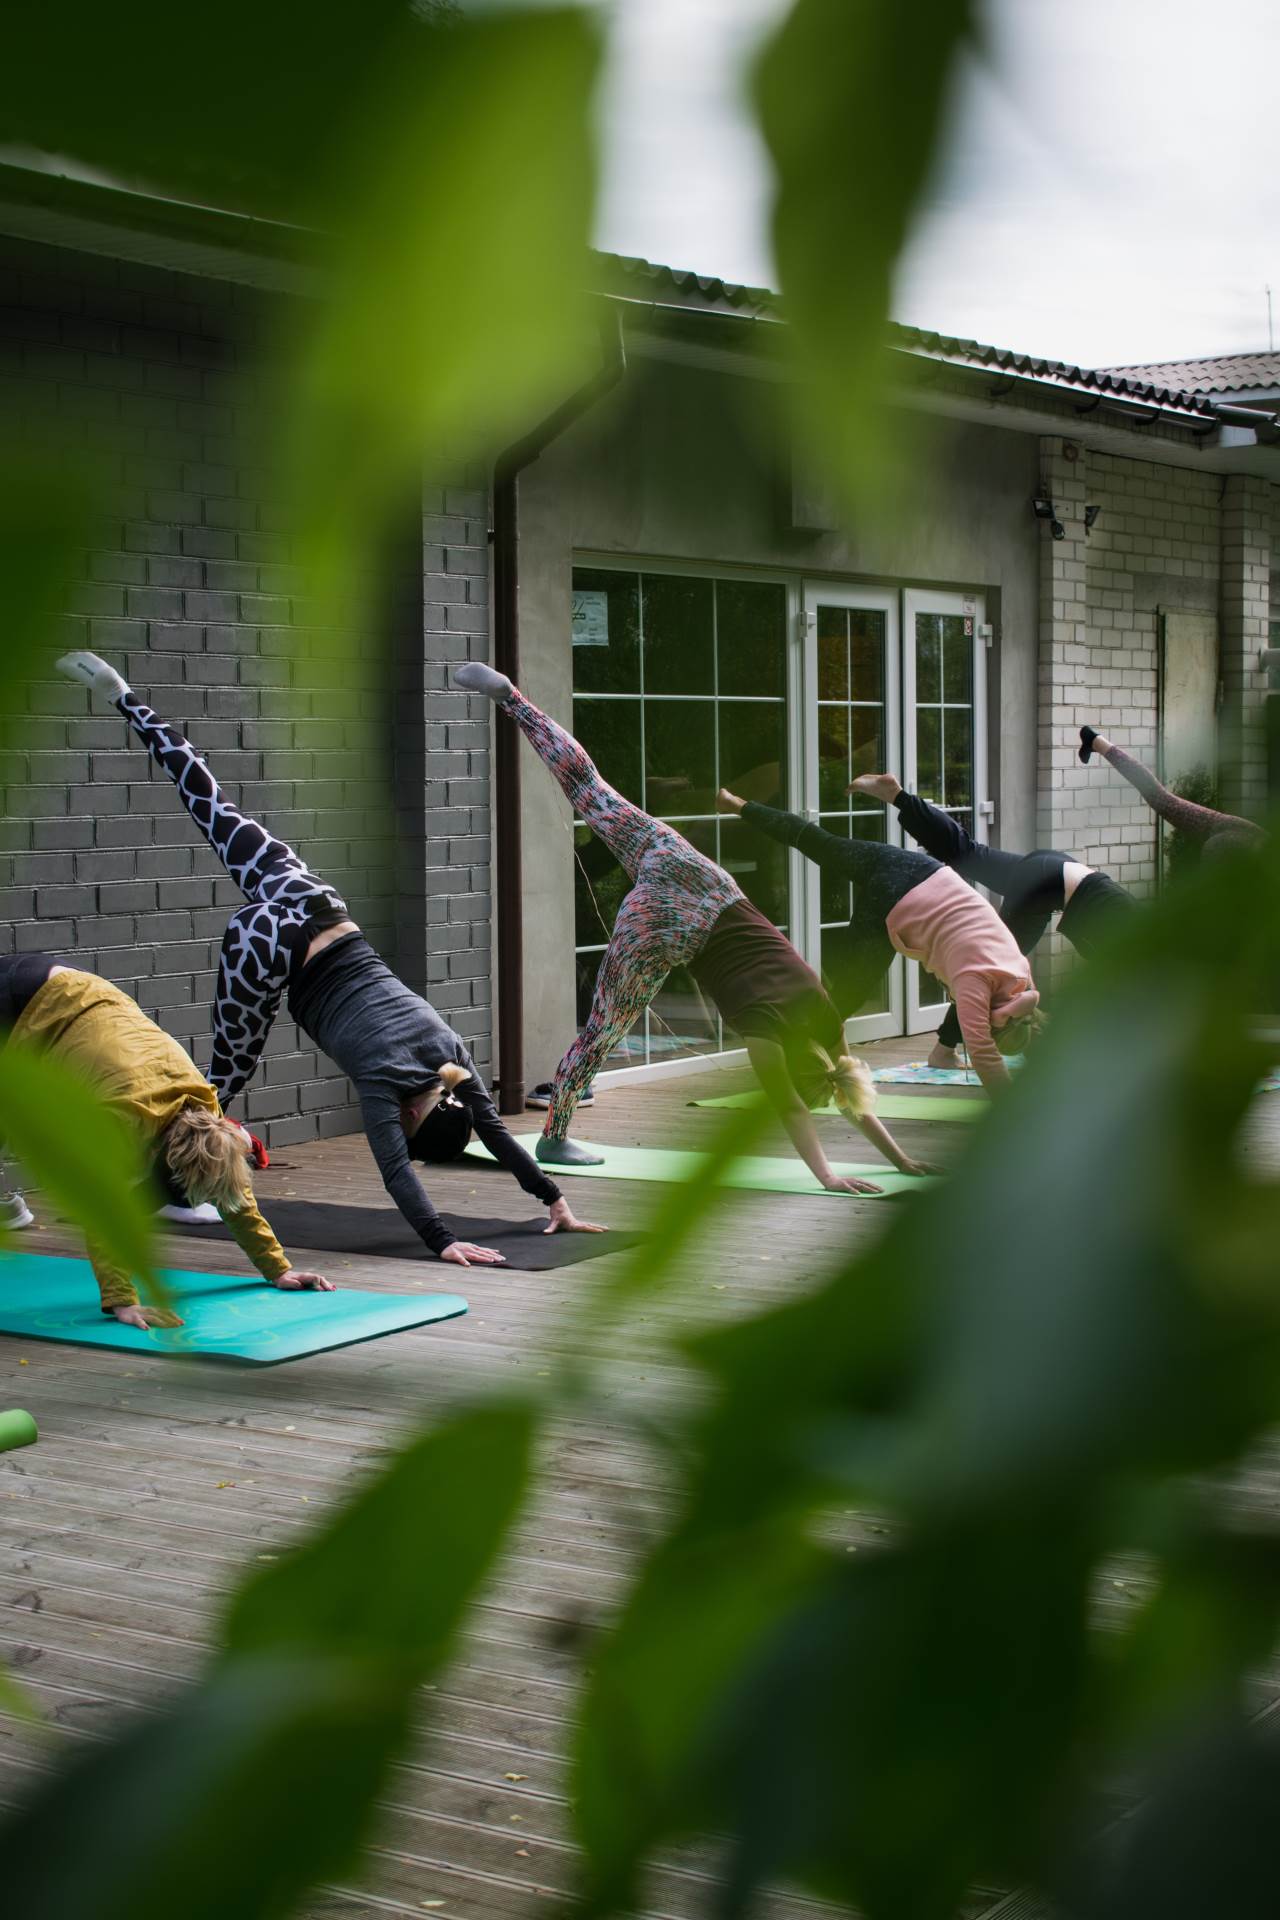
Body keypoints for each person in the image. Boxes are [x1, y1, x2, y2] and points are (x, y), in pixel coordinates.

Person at [56, 651, 602, 1268]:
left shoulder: (453, 1055)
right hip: (269, 950)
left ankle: (128, 698)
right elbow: (398, 1173)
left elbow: (498, 1135)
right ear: (414, 1118)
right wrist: (442, 1240)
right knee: (217, 1088)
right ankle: (169, 1187)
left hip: (319, 908)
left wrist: (554, 1199)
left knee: (212, 803)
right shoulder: (383, 1085)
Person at [452, 663, 931, 1193]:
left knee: (592, 791)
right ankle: (555, 1134)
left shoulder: (824, 1018)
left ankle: (513, 699)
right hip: (666, 929)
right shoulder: (766, 1037)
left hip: (699, 878)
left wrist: (903, 1159)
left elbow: (845, 1088)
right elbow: (796, 1108)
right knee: (602, 1031)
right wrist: (829, 1175)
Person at [0, 953, 331, 1329]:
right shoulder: (123, 1120)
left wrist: (278, 1269)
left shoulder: (205, 1113)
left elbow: (235, 1199)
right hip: (20, 1002)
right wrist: (122, 1301)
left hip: (74, 989)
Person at [714, 790, 1044, 1094]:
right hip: (896, 899)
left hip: (920, 868)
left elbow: (1018, 1025)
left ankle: (738, 804)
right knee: (850, 992)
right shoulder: (978, 982)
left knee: (820, 843)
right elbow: (983, 1052)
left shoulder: (1019, 972)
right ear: (998, 1026)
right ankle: (799, 1061)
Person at [848, 772, 1135, 1068]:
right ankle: (944, 1050)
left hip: (1054, 869)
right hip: (1044, 887)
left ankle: (897, 796)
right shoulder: (1134, 946)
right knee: (988, 966)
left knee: (967, 853)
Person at [1078, 726, 1265, 854]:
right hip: (1230, 844)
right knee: (1161, 799)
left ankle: (1096, 741)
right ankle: (1095, 741)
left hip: (1236, 830)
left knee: (1161, 799)